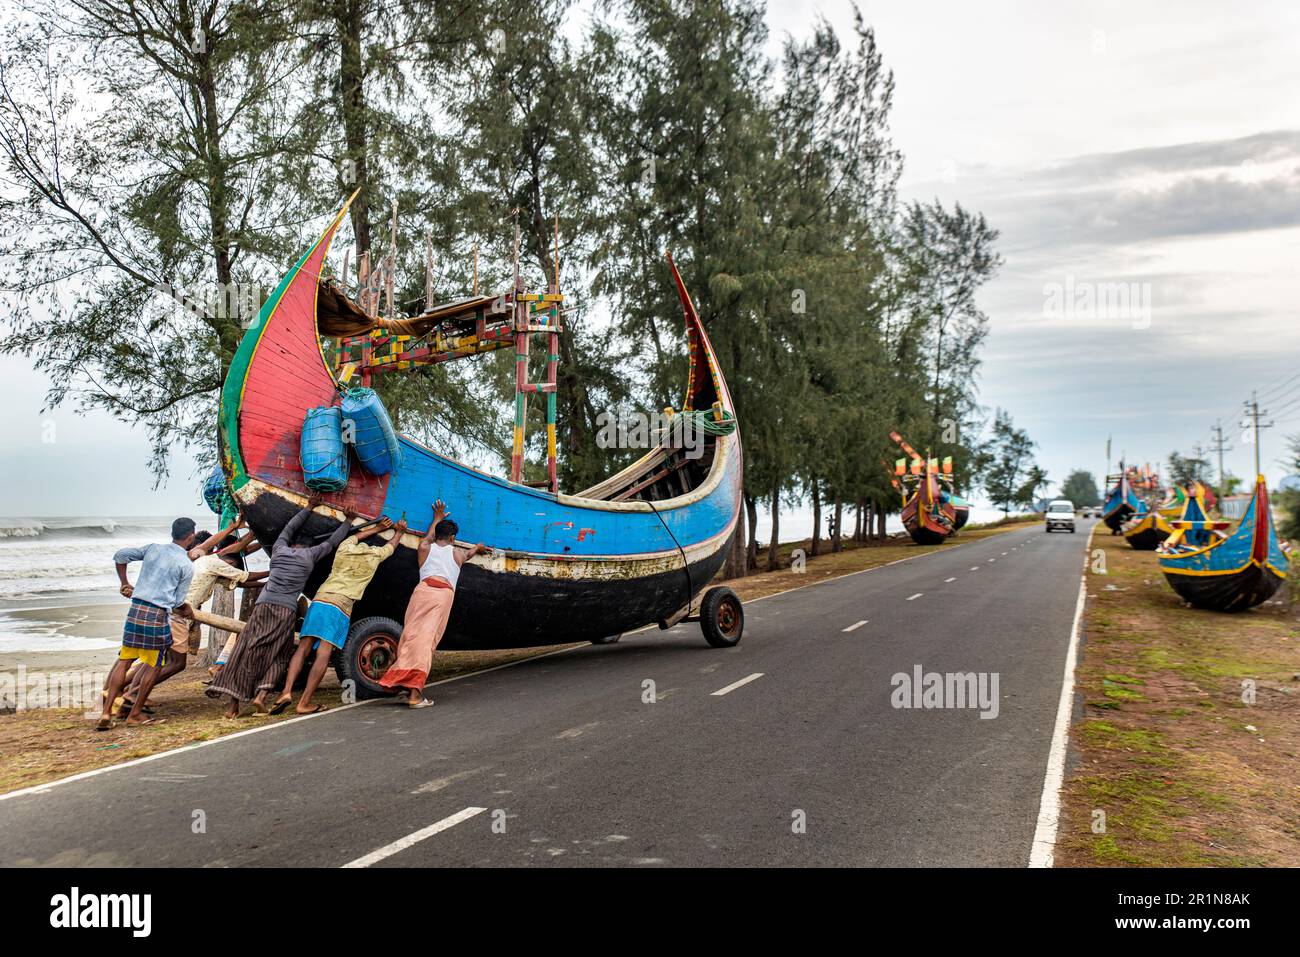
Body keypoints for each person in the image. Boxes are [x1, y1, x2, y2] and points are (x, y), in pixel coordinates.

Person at [206, 496, 351, 718]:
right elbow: (332, 542)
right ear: (308, 547)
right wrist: (348, 522)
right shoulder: (310, 556)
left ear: (293, 543)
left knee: (246, 649)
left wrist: (309, 507)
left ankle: (233, 706)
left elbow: (289, 527)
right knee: (279, 655)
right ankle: (261, 697)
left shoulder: (280, 549)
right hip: (285, 611)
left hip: (263, 606)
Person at [117, 525, 267, 717]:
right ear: (228, 560)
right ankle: (132, 694)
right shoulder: (214, 563)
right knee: (175, 662)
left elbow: (242, 581)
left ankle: (125, 698)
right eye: (231, 565)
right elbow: (244, 574)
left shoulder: (205, 564)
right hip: (178, 613)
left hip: (169, 611)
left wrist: (266, 581)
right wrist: (273, 574)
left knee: (156, 659)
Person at [272, 515, 407, 715]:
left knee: (303, 648)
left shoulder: (345, 548)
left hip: (319, 600)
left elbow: (357, 536)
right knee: (324, 653)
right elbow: (392, 546)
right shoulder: (374, 556)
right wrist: (399, 532)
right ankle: (305, 702)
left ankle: (286, 692)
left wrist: (377, 528)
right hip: (340, 605)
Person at [379, 500, 487, 708]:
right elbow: (470, 553)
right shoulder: (458, 554)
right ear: (453, 538)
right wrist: (478, 547)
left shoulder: (424, 548)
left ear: (437, 535)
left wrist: (437, 518)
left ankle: (402, 682)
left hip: (421, 593)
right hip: (441, 597)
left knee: (410, 636)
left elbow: (428, 537)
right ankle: (415, 695)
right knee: (427, 641)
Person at [98, 518, 198, 730]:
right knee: (155, 665)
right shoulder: (185, 565)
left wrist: (124, 583)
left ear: (173, 533)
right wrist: (187, 609)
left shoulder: (153, 549)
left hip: (135, 609)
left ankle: (106, 713)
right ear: (191, 537)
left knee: (125, 660)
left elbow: (120, 556)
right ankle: (134, 714)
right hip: (157, 615)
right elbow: (177, 602)